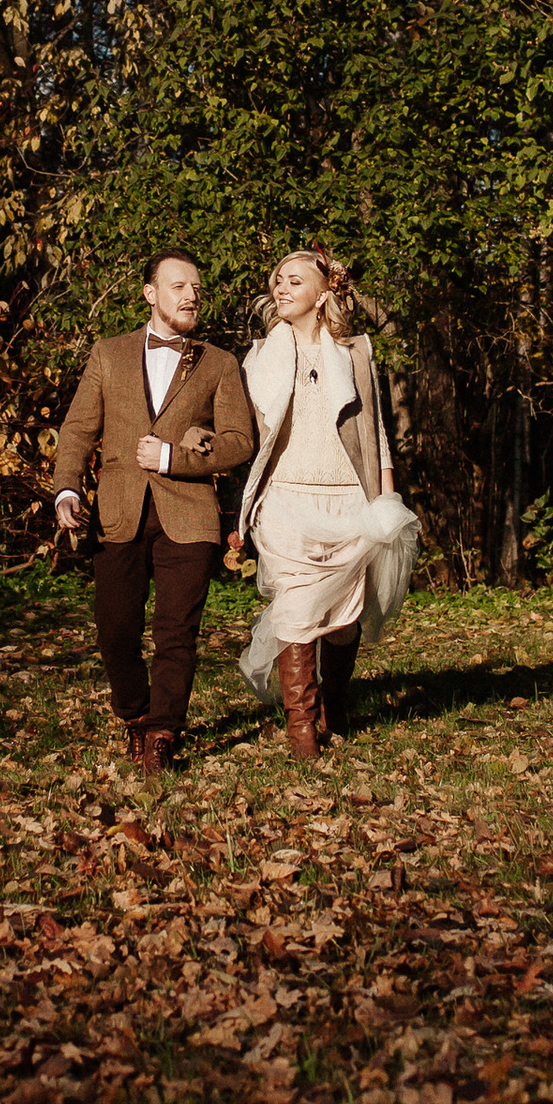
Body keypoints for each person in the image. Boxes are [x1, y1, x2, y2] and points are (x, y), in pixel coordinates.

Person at [50, 247, 255, 777]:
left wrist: (172, 457)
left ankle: (163, 733)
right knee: (115, 631)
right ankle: (135, 714)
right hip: (118, 511)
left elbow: (239, 441)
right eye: (179, 286)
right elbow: (78, 429)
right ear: (150, 293)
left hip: (190, 513)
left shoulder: (219, 362)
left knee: (176, 632)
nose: (191, 296)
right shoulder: (109, 353)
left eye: (197, 289)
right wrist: (67, 489)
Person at [236, 249, 421, 760]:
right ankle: (301, 732)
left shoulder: (355, 353)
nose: (281, 288)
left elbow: (375, 429)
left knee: (342, 619)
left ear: (322, 295)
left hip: (346, 497)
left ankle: (333, 709)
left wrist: (385, 496)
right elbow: (245, 431)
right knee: (296, 611)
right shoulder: (260, 355)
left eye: (294, 281)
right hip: (285, 499)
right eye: (278, 280)